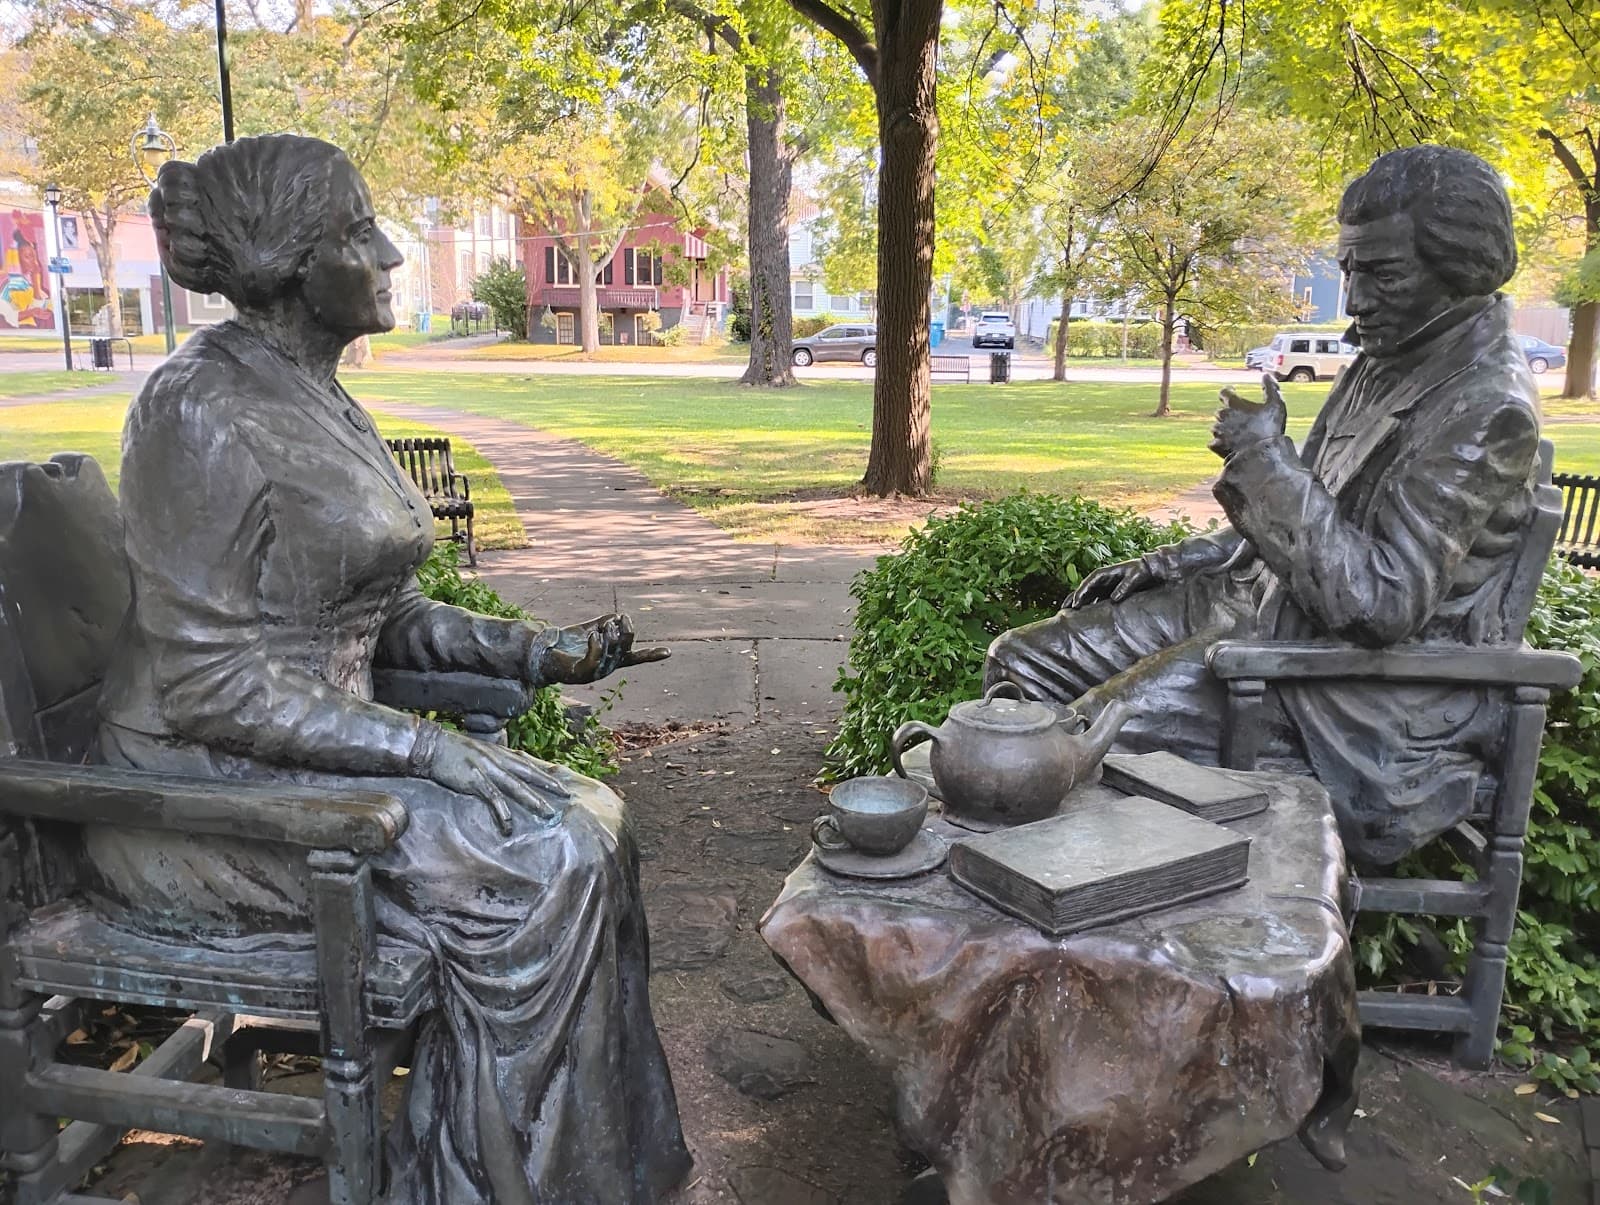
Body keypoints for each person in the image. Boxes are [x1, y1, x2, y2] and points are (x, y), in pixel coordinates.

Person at [86, 134, 691, 1203]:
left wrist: (532, 652)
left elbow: (379, 611)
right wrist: (433, 754)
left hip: (305, 755)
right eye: (358, 231)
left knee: (590, 821)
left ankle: (592, 1169)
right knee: (542, 866)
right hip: (190, 792)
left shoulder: (313, 392)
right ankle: (493, 1184)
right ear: (288, 263)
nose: (392, 253)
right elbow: (212, 685)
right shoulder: (196, 411)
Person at [986, 145, 1542, 868]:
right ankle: (1043, 895)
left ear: (1457, 272)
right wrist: (1168, 561)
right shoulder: (1389, 352)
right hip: (1255, 607)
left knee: (1082, 735)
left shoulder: (1487, 405)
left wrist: (1263, 459)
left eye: (1382, 273)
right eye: (1349, 269)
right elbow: (1315, 509)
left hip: (1337, 691)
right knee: (1022, 664)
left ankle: (1101, 918)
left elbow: (1381, 602)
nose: (1355, 301)